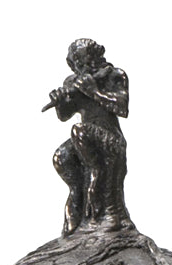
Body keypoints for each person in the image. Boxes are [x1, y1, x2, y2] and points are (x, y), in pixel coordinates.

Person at [45, 39, 131, 234]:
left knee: (79, 131)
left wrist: (95, 92)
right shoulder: (72, 81)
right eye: (79, 64)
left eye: (87, 61)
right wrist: (60, 102)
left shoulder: (115, 75)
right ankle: (78, 204)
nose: (84, 67)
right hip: (84, 140)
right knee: (62, 156)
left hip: (109, 137)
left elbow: (122, 108)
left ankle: (97, 176)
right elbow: (65, 115)